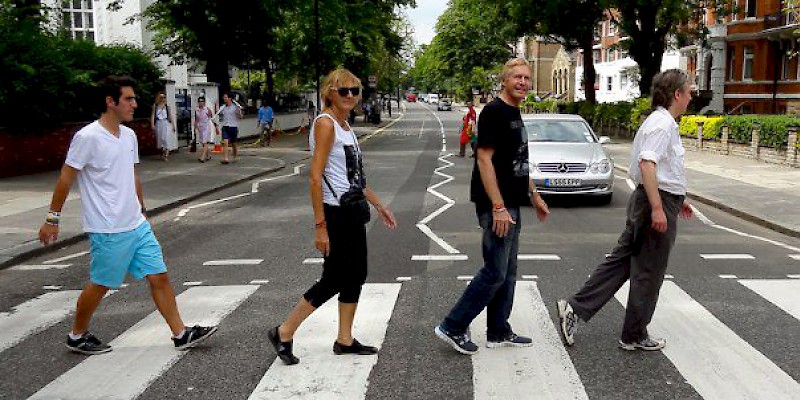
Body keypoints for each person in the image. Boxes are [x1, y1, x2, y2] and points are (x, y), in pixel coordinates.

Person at [38, 76, 217, 355]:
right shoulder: (88, 137)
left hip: (135, 223)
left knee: (159, 276)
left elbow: (132, 175)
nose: (135, 104)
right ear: (111, 102)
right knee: (101, 284)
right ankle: (77, 335)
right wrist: (52, 219)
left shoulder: (129, 136)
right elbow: (66, 177)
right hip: (109, 227)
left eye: (134, 98)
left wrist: (142, 209)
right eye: (129, 99)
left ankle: (181, 334)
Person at [556, 69, 694, 352]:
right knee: (649, 270)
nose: (692, 96)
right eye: (689, 91)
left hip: (658, 199)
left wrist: (681, 198)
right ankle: (633, 334)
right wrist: (658, 207)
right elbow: (647, 164)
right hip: (654, 203)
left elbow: (664, 169)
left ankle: (574, 307)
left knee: (622, 263)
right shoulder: (662, 124)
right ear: (677, 95)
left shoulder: (661, 122)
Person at [268, 68, 397, 365]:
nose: (350, 95)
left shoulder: (345, 125)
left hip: (353, 209)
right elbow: (315, 177)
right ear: (330, 93)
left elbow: (355, 178)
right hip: (335, 212)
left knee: (357, 274)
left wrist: (380, 205)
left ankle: (345, 339)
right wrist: (320, 226)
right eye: (344, 91)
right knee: (334, 278)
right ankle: (284, 331)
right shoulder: (326, 124)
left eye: (355, 90)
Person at [435, 58, 550, 355]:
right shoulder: (494, 112)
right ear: (504, 81)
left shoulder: (514, 111)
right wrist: (498, 206)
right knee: (494, 272)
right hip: (497, 204)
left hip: (513, 201)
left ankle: (498, 330)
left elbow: (517, 163)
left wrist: (534, 195)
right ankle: (453, 325)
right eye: (517, 78)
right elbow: (484, 159)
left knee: (509, 271)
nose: (523, 82)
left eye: (527, 77)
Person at [218, 92, 243, 164]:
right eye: (224, 97)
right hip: (225, 127)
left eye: (225, 97)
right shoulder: (222, 107)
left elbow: (240, 117)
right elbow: (219, 115)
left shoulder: (235, 107)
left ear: (230, 98)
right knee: (225, 142)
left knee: (233, 144)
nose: (224, 98)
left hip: (233, 127)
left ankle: (235, 157)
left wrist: (239, 111)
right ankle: (226, 158)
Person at [150, 91, 175, 161]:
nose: (163, 98)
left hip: (166, 123)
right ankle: (163, 152)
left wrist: (173, 125)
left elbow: (170, 116)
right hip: (158, 123)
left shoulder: (167, 107)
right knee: (160, 139)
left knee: (165, 138)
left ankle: (166, 153)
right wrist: (152, 124)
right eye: (161, 97)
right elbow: (152, 115)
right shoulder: (156, 106)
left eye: (164, 97)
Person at [194, 96, 213, 162]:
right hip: (200, 127)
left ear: (204, 102)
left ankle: (202, 157)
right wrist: (195, 126)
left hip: (206, 127)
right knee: (203, 142)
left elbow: (211, 117)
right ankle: (208, 155)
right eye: (199, 101)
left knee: (204, 142)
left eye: (202, 101)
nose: (201, 103)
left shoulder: (207, 109)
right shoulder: (196, 110)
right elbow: (197, 119)